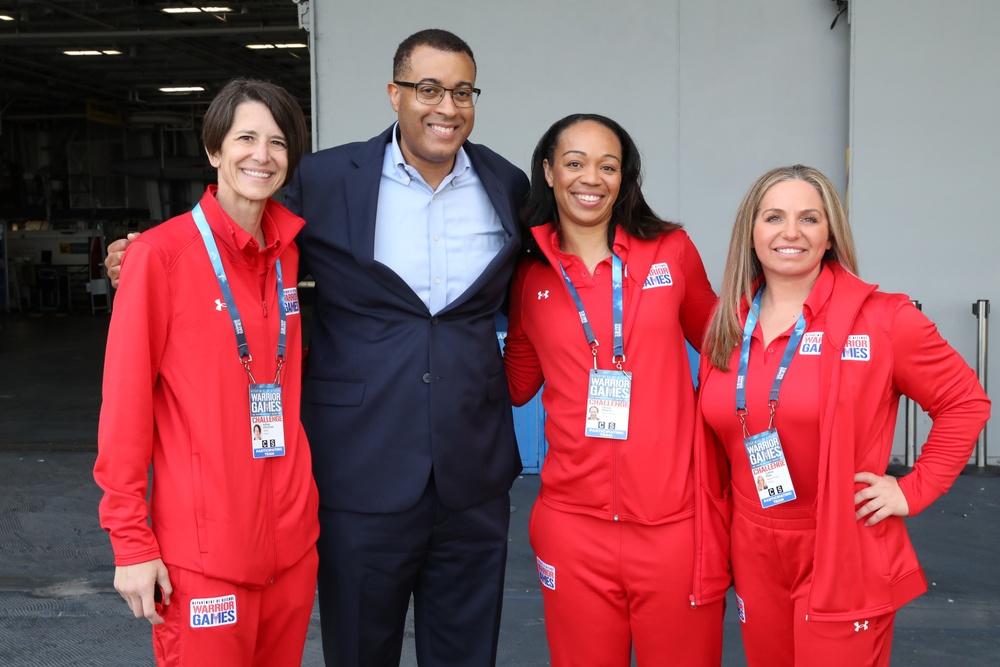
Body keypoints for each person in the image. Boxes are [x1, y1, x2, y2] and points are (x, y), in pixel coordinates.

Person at [108, 29, 529, 666]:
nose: (447, 106)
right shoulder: (326, 178)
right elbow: (236, 217)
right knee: (360, 649)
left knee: (469, 652)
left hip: (473, 473)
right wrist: (141, 253)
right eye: (428, 89)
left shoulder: (508, 184)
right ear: (395, 94)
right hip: (358, 470)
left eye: (462, 91)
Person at [692, 165, 991, 667]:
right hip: (753, 545)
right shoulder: (727, 323)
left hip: (842, 546)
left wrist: (911, 488)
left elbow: (965, 402)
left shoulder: (884, 318)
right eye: (774, 217)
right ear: (751, 231)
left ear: (830, 234)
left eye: (809, 218)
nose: (791, 232)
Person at [94, 79, 319, 666]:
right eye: (245, 137)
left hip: (290, 549)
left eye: (277, 142)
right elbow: (124, 407)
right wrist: (131, 541)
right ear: (214, 150)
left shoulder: (290, 253)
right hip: (203, 554)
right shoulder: (159, 257)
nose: (261, 155)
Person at [501, 114, 723, 666]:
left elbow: (729, 348)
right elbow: (516, 383)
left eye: (608, 165)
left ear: (625, 177)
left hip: (674, 527)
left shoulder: (670, 251)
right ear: (549, 172)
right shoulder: (529, 276)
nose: (590, 178)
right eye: (574, 163)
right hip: (573, 530)